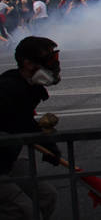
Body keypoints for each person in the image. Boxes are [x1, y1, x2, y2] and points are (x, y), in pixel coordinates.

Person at [0, 36, 62, 219]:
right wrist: (44, 140)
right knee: (23, 210)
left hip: (6, 158)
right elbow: (18, 122)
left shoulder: (29, 88)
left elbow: (22, 121)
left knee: (46, 197)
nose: (52, 65)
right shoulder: (6, 89)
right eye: (46, 60)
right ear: (27, 63)